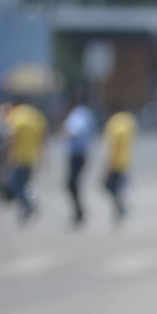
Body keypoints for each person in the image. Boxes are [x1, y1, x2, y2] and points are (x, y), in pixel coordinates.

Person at [4, 98, 48, 222]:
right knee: (25, 184)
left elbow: (12, 138)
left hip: (19, 158)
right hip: (31, 157)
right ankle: (27, 205)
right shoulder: (34, 114)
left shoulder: (15, 116)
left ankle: (28, 205)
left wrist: (8, 157)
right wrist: (42, 157)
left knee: (16, 184)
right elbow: (42, 137)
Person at [61, 93, 97, 226]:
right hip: (82, 154)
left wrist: (64, 132)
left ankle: (79, 213)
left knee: (71, 185)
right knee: (74, 185)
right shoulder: (86, 114)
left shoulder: (77, 115)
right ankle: (78, 212)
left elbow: (74, 131)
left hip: (77, 155)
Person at [101, 108, 137, 223]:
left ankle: (120, 208)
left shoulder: (114, 124)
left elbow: (112, 146)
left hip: (115, 162)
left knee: (109, 186)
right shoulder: (128, 121)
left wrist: (108, 165)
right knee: (119, 187)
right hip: (126, 160)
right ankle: (120, 208)